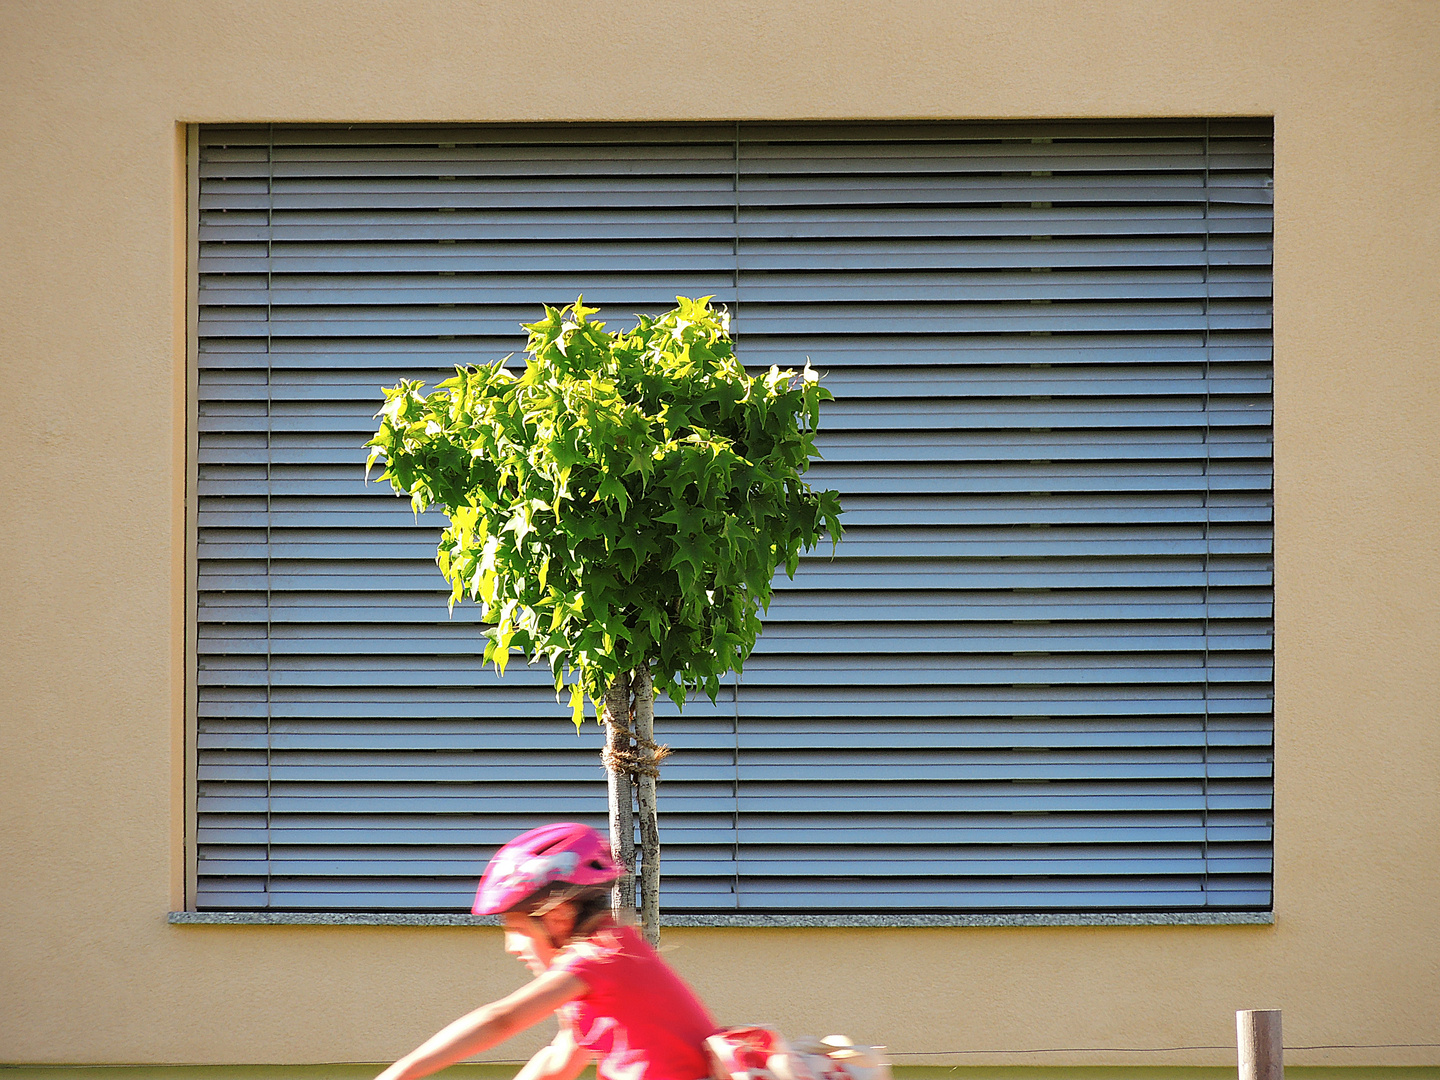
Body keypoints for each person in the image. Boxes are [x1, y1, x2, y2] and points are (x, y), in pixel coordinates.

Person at [375, 822, 719, 1080]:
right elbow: (558, 1062)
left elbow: (501, 1020)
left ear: (557, 916)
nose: (511, 947)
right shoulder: (612, 955)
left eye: (518, 929)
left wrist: (398, 1073)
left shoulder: (598, 957)